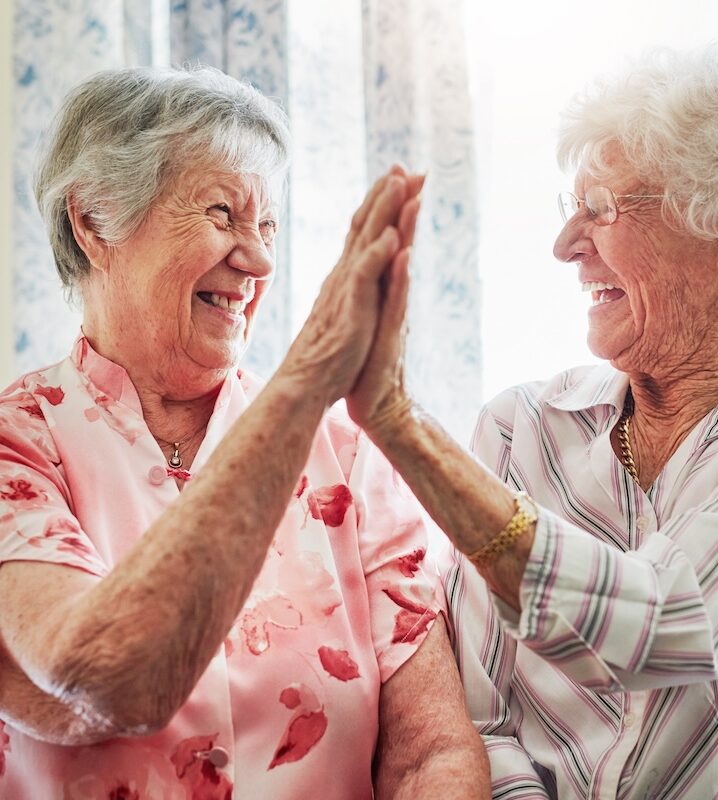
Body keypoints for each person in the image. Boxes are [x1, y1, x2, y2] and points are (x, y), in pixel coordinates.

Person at [344, 41, 718, 798]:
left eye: (601, 210)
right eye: (571, 209)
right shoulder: (520, 429)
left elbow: (665, 624)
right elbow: (485, 718)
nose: (566, 245)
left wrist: (399, 427)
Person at [0, 66, 489, 798]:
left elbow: (431, 757)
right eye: (223, 215)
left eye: (267, 226)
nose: (259, 260)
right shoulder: (20, 443)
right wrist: (308, 379)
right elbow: (99, 679)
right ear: (95, 221)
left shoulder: (353, 456)